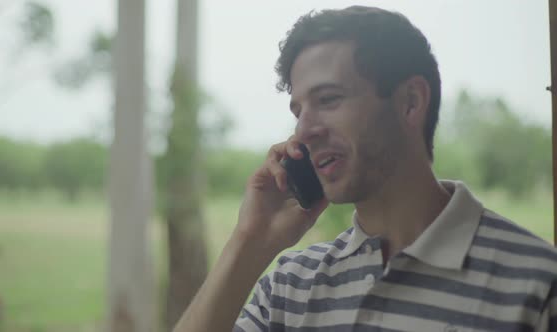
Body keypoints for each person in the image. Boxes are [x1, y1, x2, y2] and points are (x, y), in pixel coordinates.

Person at [173, 5, 557, 332]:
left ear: (410, 102)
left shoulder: (538, 284)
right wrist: (250, 242)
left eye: (328, 99)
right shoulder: (290, 287)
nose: (303, 131)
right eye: (298, 111)